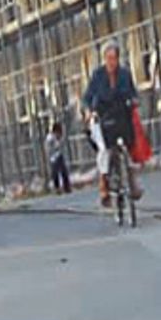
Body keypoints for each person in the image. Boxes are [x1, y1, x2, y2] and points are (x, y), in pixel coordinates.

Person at [80, 41, 141, 209]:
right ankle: (104, 184)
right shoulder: (98, 76)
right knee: (104, 150)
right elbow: (87, 97)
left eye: (114, 58)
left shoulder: (124, 74)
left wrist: (135, 101)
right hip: (102, 116)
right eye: (108, 58)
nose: (112, 62)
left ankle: (132, 181)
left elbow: (133, 92)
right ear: (104, 59)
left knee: (130, 143)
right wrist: (88, 111)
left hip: (120, 114)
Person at [45, 118, 71, 193]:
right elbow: (49, 148)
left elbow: (62, 143)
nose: (60, 134)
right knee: (55, 172)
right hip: (53, 157)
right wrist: (55, 148)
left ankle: (67, 187)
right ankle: (57, 187)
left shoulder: (59, 137)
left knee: (64, 171)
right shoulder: (50, 138)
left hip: (59, 155)